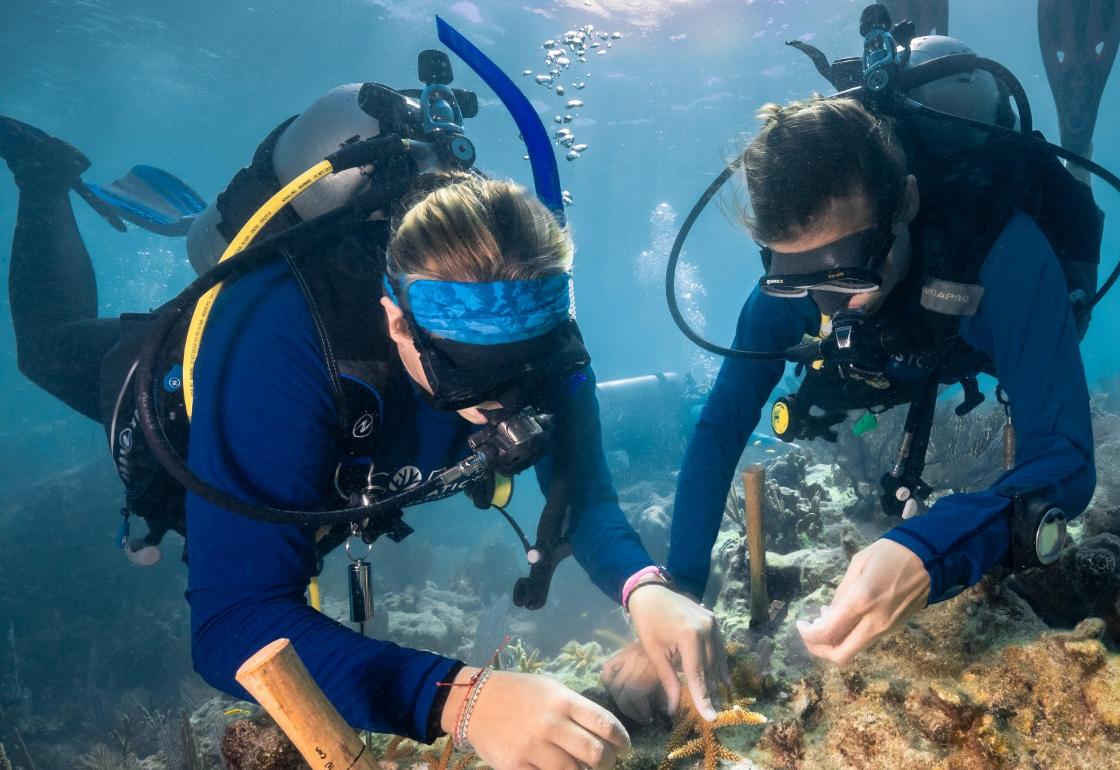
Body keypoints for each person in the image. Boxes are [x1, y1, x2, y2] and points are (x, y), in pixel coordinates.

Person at [1, 79, 725, 769]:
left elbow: (585, 499)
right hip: (205, 397)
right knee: (49, 348)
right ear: (395, 323)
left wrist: (647, 590)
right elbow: (231, 623)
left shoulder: (539, 330)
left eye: (531, 374)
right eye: (472, 381)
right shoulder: (281, 338)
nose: (508, 407)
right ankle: (43, 176)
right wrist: (464, 700)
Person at [603, 19, 1120, 715]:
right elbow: (721, 425)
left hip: (977, 320)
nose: (829, 302)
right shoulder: (786, 291)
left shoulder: (1004, 252)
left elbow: (1064, 458)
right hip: (909, 344)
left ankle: (1073, 151)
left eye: (848, 267)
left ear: (905, 205)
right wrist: (679, 590)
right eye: (794, 276)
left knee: (1065, 320)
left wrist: (927, 548)